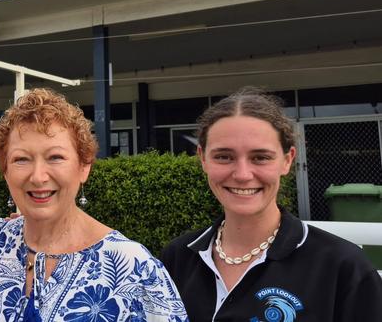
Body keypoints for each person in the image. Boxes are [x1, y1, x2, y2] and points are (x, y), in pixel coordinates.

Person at [0, 88, 188, 322]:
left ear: (84, 167)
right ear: (5, 170)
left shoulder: (134, 268)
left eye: (55, 157)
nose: (38, 176)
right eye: (21, 159)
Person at [160, 87, 382, 321]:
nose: (243, 174)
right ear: (203, 158)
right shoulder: (177, 258)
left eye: (261, 157)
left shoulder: (342, 266)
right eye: (224, 157)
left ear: (287, 160)